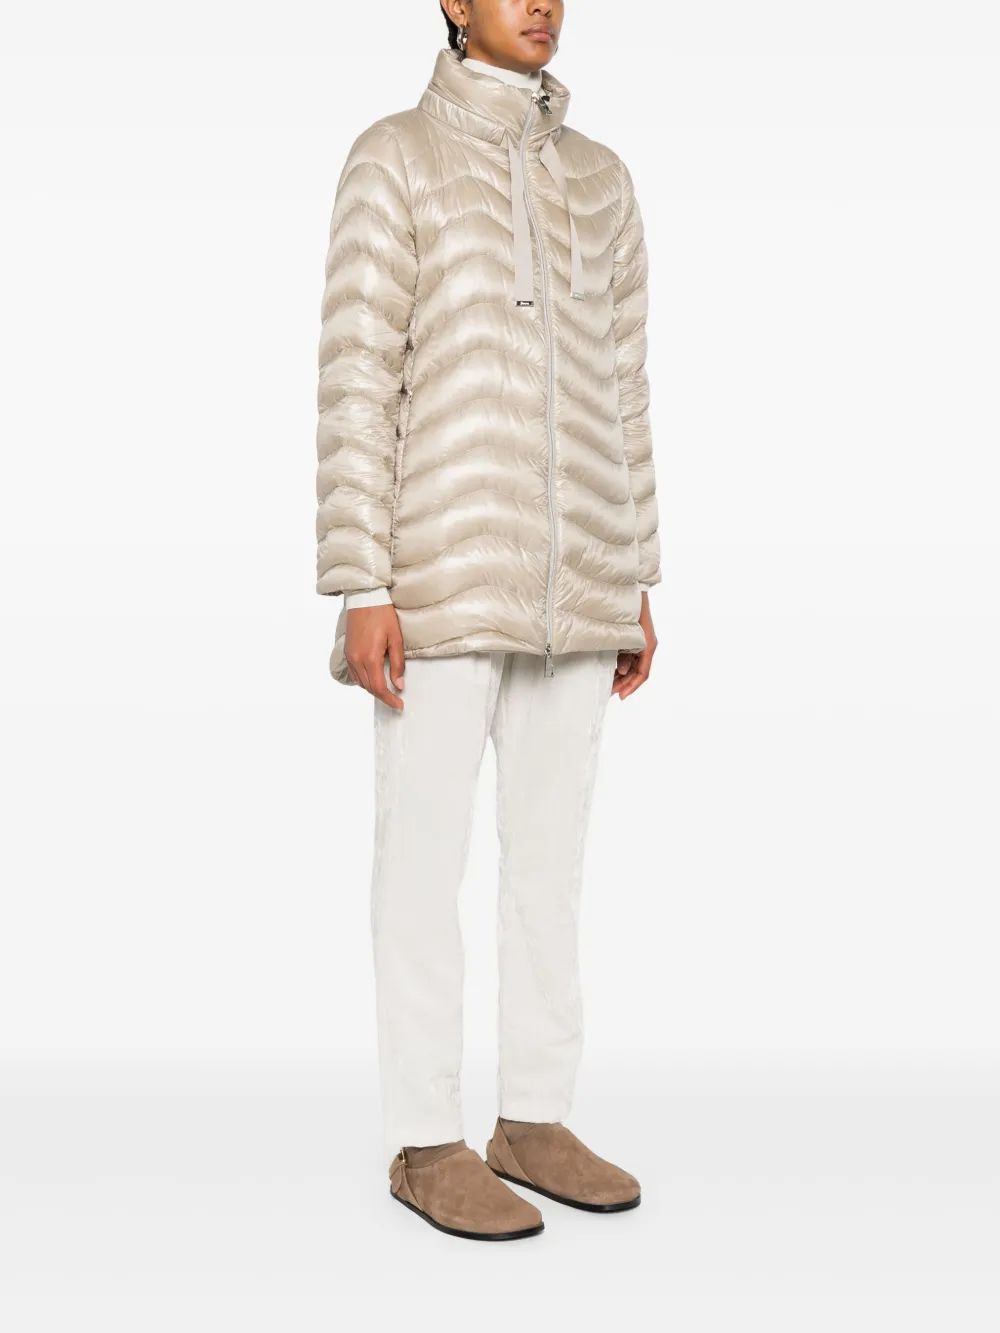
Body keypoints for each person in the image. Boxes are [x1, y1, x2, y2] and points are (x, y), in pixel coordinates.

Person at [315, 0, 660, 1241]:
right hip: (437, 578)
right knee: (423, 862)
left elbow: (623, 385)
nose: (541, 3)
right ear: (453, 3)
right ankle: (425, 1139)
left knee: (549, 863)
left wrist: (632, 571)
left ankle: (533, 1117)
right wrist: (363, 582)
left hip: (578, 581)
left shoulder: (601, 178)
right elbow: (358, 374)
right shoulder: (394, 156)